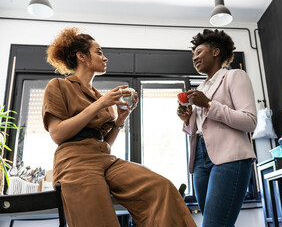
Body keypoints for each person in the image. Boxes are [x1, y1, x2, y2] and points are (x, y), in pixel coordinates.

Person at [43, 27, 196, 227]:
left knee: (161, 188)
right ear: (81, 56)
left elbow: (104, 142)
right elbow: (57, 134)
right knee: (100, 220)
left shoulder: (99, 96)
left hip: (105, 158)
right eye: (98, 52)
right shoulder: (59, 86)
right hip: (74, 162)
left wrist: (120, 120)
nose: (105, 58)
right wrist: (100, 104)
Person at [177, 29, 257, 227]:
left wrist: (209, 105)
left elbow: (249, 121)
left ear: (215, 52)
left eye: (199, 52)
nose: (195, 58)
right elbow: (203, 128)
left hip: (231, 158)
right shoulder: (202, 88)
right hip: (200, 161)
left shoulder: (235, 76)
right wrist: (187, 120)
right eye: (193, 54)